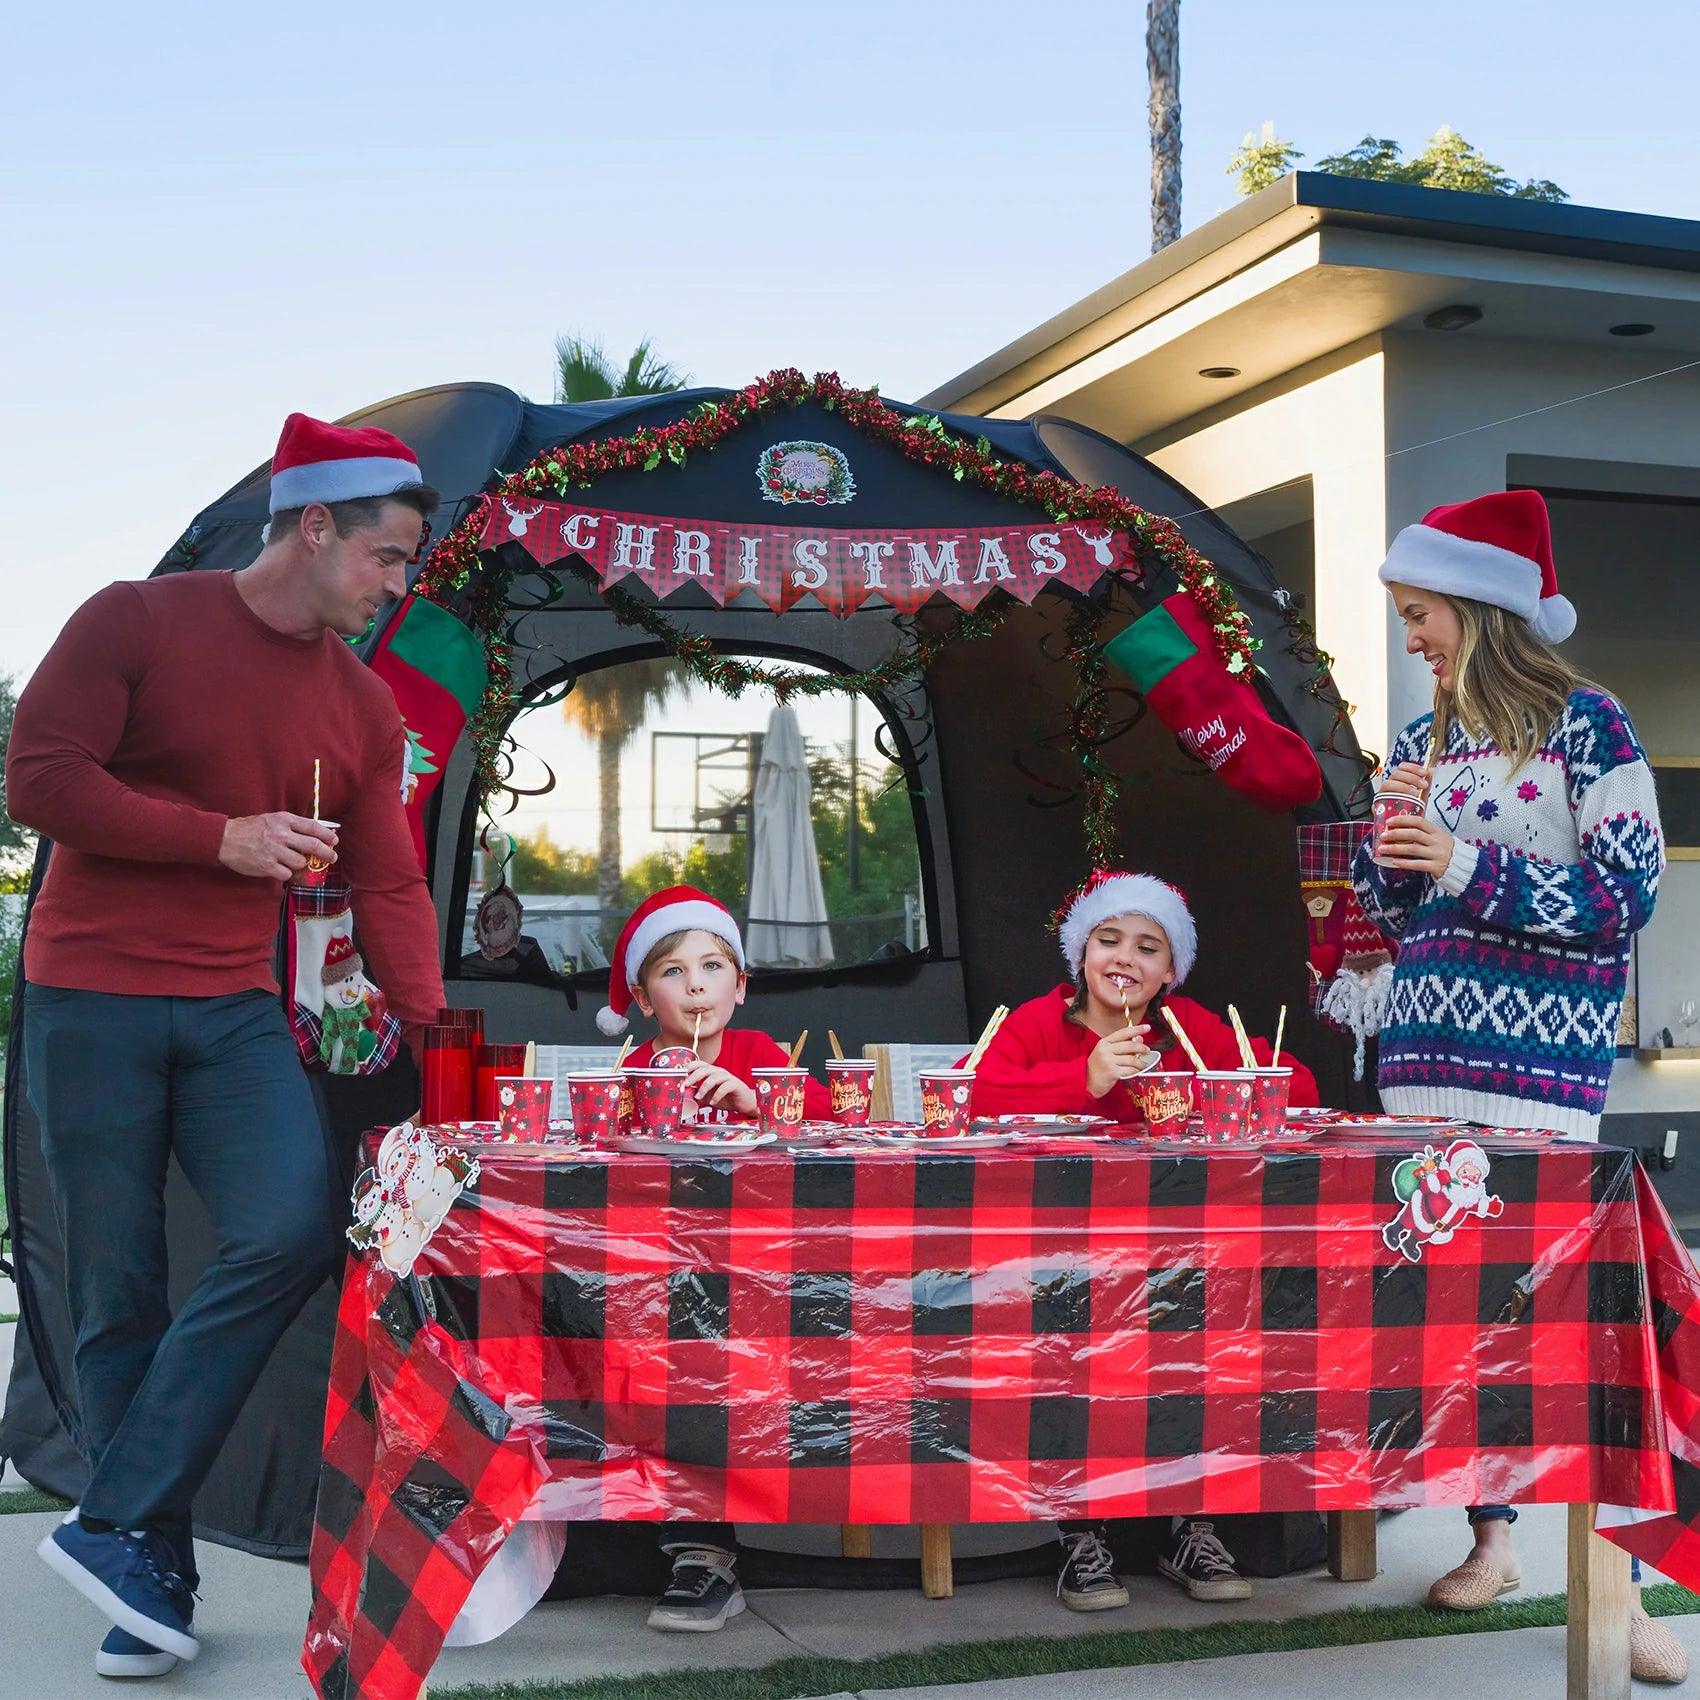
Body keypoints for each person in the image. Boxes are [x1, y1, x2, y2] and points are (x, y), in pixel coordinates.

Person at [8, 412, 446, 1680]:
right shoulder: (133, 620)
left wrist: (430, 1039)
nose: (397, 583)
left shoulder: (362, 705)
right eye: (387, 555)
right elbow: (37, 777)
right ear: (314, 527)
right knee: (119, 1287)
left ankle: (108, 1516)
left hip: (232, 1006)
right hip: (87, 998)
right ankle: (151, 1576)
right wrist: (221, 839)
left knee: (288, 1227)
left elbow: (391, 882)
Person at [1352, 490, 1681, 1683]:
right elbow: (1397, 915)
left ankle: (1620, 1591)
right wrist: (1387, 851)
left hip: (1538, 1078)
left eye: (1419, 611)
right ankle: (1488, 1540)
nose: (1410, 637)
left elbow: (1623, 896)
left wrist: (1460, 859)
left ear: (1479, 606)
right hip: (1419, 1068)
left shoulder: (1589, 725)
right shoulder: (1422, 735)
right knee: (1450, 1325)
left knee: (1577, 1334)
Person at [972, 870, 1317, 1612]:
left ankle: (1189, 1524)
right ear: (1081, 952)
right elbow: (974, 1097)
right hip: (1061, 1255)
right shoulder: (1036, 1023)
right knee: (1068, 1362)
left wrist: (1235, 1087)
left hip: (1178, 1253)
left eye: (1148, 946)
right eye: (1109, 938)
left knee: (1206, 1358)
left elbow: (1297, 1084)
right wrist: (1085, 1076)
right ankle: (1081, 1530)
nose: (1124, 956)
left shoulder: (1190, 1027)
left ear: (1170, 972)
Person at [595, 884, 828, 1630]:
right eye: (673, 971)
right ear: (641, 998)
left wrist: (756, 1102)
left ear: (741, 985)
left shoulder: (763, 1057)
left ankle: (730, 1530)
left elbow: (832, 1131)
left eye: (713, 966)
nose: (696, 986)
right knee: (663, 1353)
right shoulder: (630, 1070)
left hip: (768, 1265)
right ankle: (701, 1552)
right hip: (664, 1269)